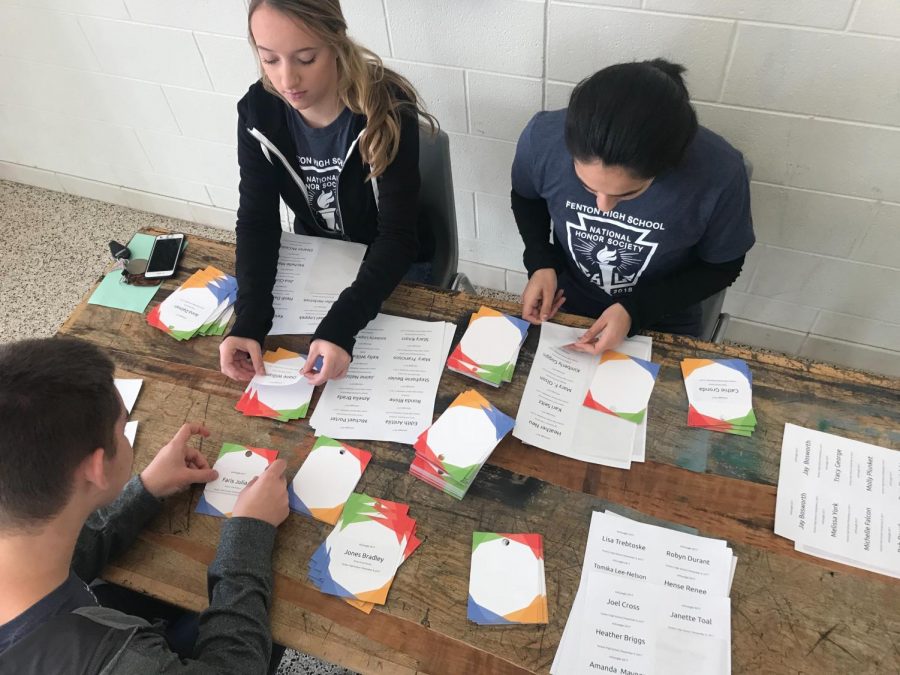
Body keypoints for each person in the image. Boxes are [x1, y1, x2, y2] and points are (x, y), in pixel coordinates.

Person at [0, 337, 290, 674]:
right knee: (273, 613)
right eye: (122, 430)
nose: (125, 438)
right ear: (96, 469)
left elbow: (69, 554)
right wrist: (249, 531)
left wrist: (145, 489)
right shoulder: (121, 662)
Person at [220, 0, 437, 386]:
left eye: (305, 58)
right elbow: (256, 222)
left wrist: (341, 325)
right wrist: (249, 318)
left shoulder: (386, 108)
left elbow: (398, 237)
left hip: (393, 259)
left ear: (335, 42)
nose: (287, 80)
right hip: (319, 254)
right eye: (270, 60)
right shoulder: (258, 113)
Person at [511, 59, 755, 353]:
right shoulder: (542, 139)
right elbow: (527, 198)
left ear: (667, 166)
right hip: (567, 298)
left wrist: (634, 310)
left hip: (661, 312)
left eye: (627, 194)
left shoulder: (720, 174)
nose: (603, 207)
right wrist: (541, 262)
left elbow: (723, 266)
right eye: (588, 187)